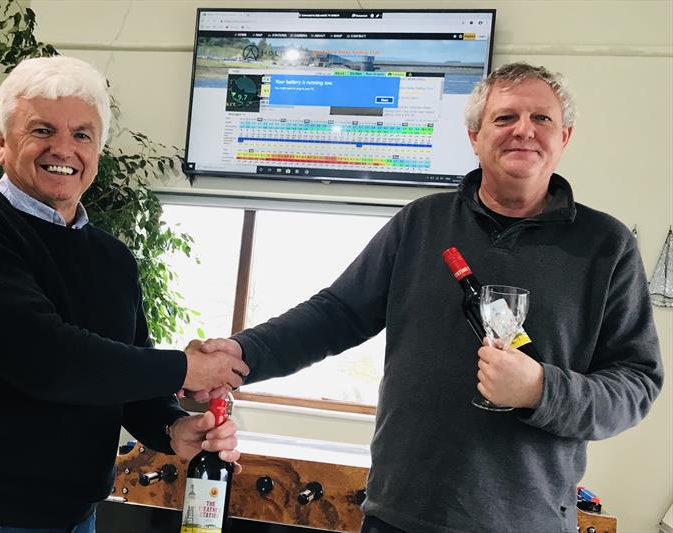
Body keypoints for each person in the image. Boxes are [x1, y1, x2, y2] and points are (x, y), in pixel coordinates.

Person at [198, 63, 664, 532]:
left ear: (564, 137)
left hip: (526, 521)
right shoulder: (420, 223)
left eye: (541, 119)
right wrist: (242, 354)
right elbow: (335, 314)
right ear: (474, 136)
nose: (523, 130)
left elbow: (636, 384)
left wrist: (541, 390)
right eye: (505, 118)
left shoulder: (607, 245)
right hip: (399, 513)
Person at [0, 55, 248, 532]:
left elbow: (129, 380)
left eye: (82, 135)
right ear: (1, 143)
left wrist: (174, 429)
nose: (63, 149)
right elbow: (47, 358)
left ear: (98, 150)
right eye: (42, 130)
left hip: (77, 517)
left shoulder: (113, 258)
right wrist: (188, 367)